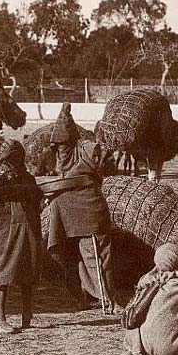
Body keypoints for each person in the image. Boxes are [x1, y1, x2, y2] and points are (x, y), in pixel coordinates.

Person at [45, 103, 121, 314]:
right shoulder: (68, 162)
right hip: (79, 220)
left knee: (92, 258)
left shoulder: (84, 157)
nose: (61, 152)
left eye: (63, 147)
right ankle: (104, 301)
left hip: (83, 218)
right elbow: (64, 144)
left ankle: (100, 298)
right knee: (90, 260)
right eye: (57, 148)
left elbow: (99, 152)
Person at [0, 140, 46, 334]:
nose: (14, 160)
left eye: (16, 156)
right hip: (6, 229)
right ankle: (0, 319)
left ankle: (28, 316)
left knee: (28, 269)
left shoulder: (26, 177)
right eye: (10, 156)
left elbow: (36, 197)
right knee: (4, 270)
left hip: (28, 228)